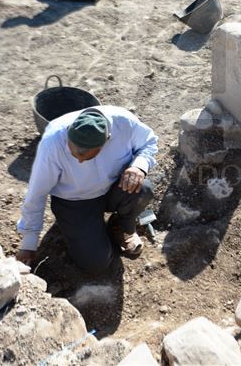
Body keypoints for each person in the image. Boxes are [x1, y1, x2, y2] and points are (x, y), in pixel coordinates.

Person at [15, 107, 157, 275]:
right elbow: (36, 192)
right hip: (75, 202)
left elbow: (149, 142)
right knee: (96, 263)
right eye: (75, 155)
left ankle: (121, 225)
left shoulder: (124, 123)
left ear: (107, 140)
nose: (80, 161)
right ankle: (78, 228)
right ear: (69, 133)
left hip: (113, 189)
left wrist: (139, 166)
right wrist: (29, 242)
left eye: (87, 156)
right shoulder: (53, 140)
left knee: (143, 189)